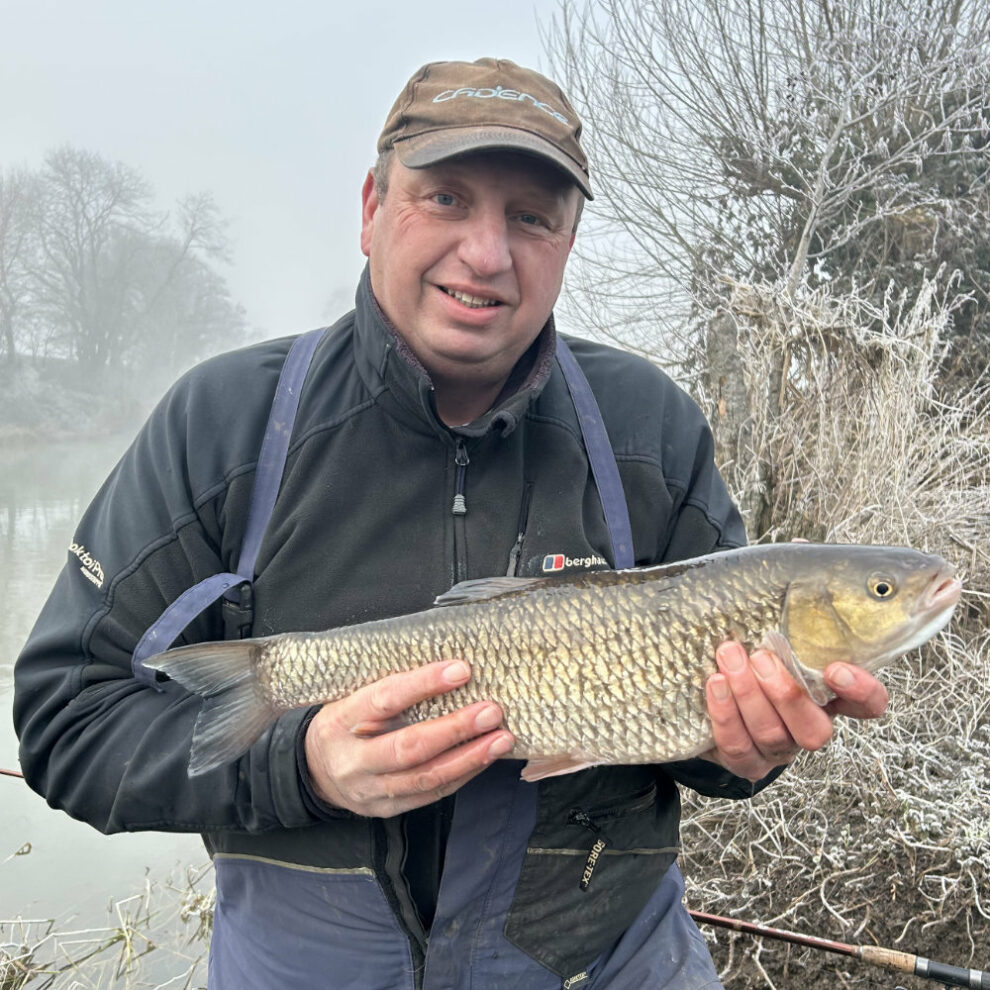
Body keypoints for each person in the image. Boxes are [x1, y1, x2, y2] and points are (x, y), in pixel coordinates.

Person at [13, 58, 888, 989]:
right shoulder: (223, 423)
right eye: (446, 198)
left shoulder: (649, 428)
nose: (487, 253)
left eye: (531, 218)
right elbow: (68, 723)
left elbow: (714, 748)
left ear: (568, 242)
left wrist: (747, 752)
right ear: (370, 208)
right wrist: (299, 765)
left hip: (607, 960)